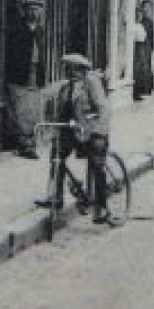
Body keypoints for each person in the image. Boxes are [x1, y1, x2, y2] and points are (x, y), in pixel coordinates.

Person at [39, 53, 122, 226]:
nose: (70, 73)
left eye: (74, 69)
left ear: (83, 70)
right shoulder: (65, 87)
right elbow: (52, 103)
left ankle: (102, 208)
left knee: (97, 164)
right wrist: (49, 128)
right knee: (57, 155)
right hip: (74, 130)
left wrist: (97, 131)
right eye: (67, 69)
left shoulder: (92, 83)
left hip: (92, 130)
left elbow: (103, 108)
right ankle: (56, 196)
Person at [4, 0, 47, 158]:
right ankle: (24, 145)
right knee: (20, 109)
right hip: (20, 74)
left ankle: (31, 141)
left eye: (37, 9)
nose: (34, 13)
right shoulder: (17, 29)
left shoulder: (40, 30)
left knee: (33, 109)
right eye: (31, 9)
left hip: (35, 73)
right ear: (25, 11)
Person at [131, 0, 154, 101]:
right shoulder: (139, 22)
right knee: (139, 68)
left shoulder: (149, 21)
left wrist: (151, 47)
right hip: (139, 46)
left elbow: (151, 36)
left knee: (145, 67)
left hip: (146, 46)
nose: (146, 9)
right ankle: (138, 90)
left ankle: (145, 89)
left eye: (148, 7)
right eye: (145, 7)